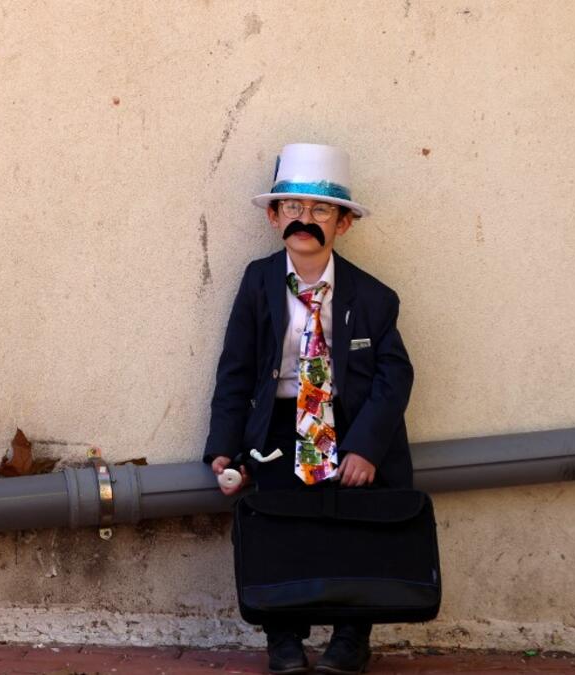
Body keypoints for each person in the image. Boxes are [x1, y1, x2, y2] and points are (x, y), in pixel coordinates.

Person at [203, 143, 414, 674]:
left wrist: (366, 448)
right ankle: (284, 639)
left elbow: (395, 377)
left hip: (347, 426)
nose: (306, 220)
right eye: (294, 207)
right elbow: (235, 369)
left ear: (343, 224)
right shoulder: (258, 282)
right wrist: (224, 447)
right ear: (274, 217)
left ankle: (351, 638)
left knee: (354, 533)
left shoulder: (374, 297)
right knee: (281, 533)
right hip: (278, 425)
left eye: (321, 210)